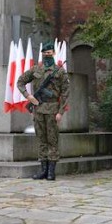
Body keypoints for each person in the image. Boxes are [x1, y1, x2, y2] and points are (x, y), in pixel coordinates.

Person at [17, 41, 70, 181]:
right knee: (41, 139)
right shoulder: (36, 69)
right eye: (45, 53)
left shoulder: (60, 71)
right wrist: (28, 96)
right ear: (42, 53)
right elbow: (20, 81)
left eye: (49, 52)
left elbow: (65, 93)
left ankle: (51, 171)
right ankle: (43, 170)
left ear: (53, 53)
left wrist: (60, 112)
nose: (47, 54)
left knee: (52, 140)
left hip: (52, 110)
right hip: (38, 109)